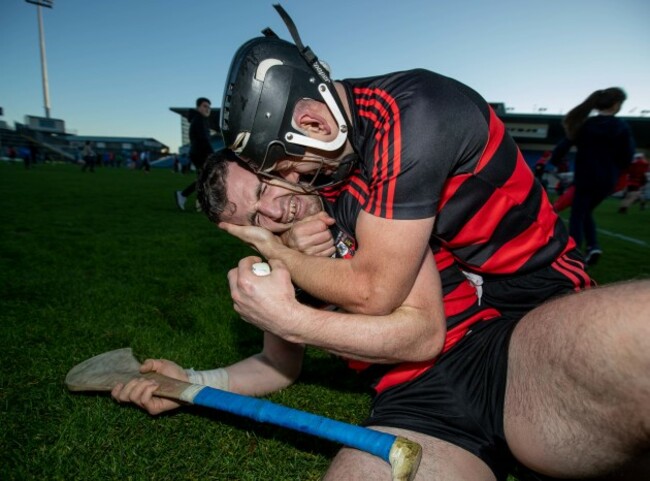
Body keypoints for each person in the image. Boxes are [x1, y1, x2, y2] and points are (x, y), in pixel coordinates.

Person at [212, 11, 649, 480]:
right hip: (426, 400)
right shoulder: (338, 180)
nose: (281, 201)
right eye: (254, 218)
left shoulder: (405, 121)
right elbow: (276, 364)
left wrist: (287, 277)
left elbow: (388, 303)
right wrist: (193, 377)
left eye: (274, 180)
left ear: (313, 123)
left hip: (534, 299)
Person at [549, 88, 636, 265]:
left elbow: (562, 147)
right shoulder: (622, 126)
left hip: (585, 178)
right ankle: (593, 246)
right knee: (585, 211)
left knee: (577, 215)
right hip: (607, 180)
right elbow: (627, 156)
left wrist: (555, 162)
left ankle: (574, 256)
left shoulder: (586, 125)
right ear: (616, 105)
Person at [175, 97, 214, 211]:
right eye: (205, 106)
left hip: (198, 153)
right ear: (198, 107)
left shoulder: (200, 119)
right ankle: (184, 195)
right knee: (206, 178)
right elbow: (203, 139)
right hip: (200, 153)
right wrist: (212, 154)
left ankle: (198, 201)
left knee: (204, 178)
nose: (207, 109)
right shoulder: (199, 120)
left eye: (209, 107)